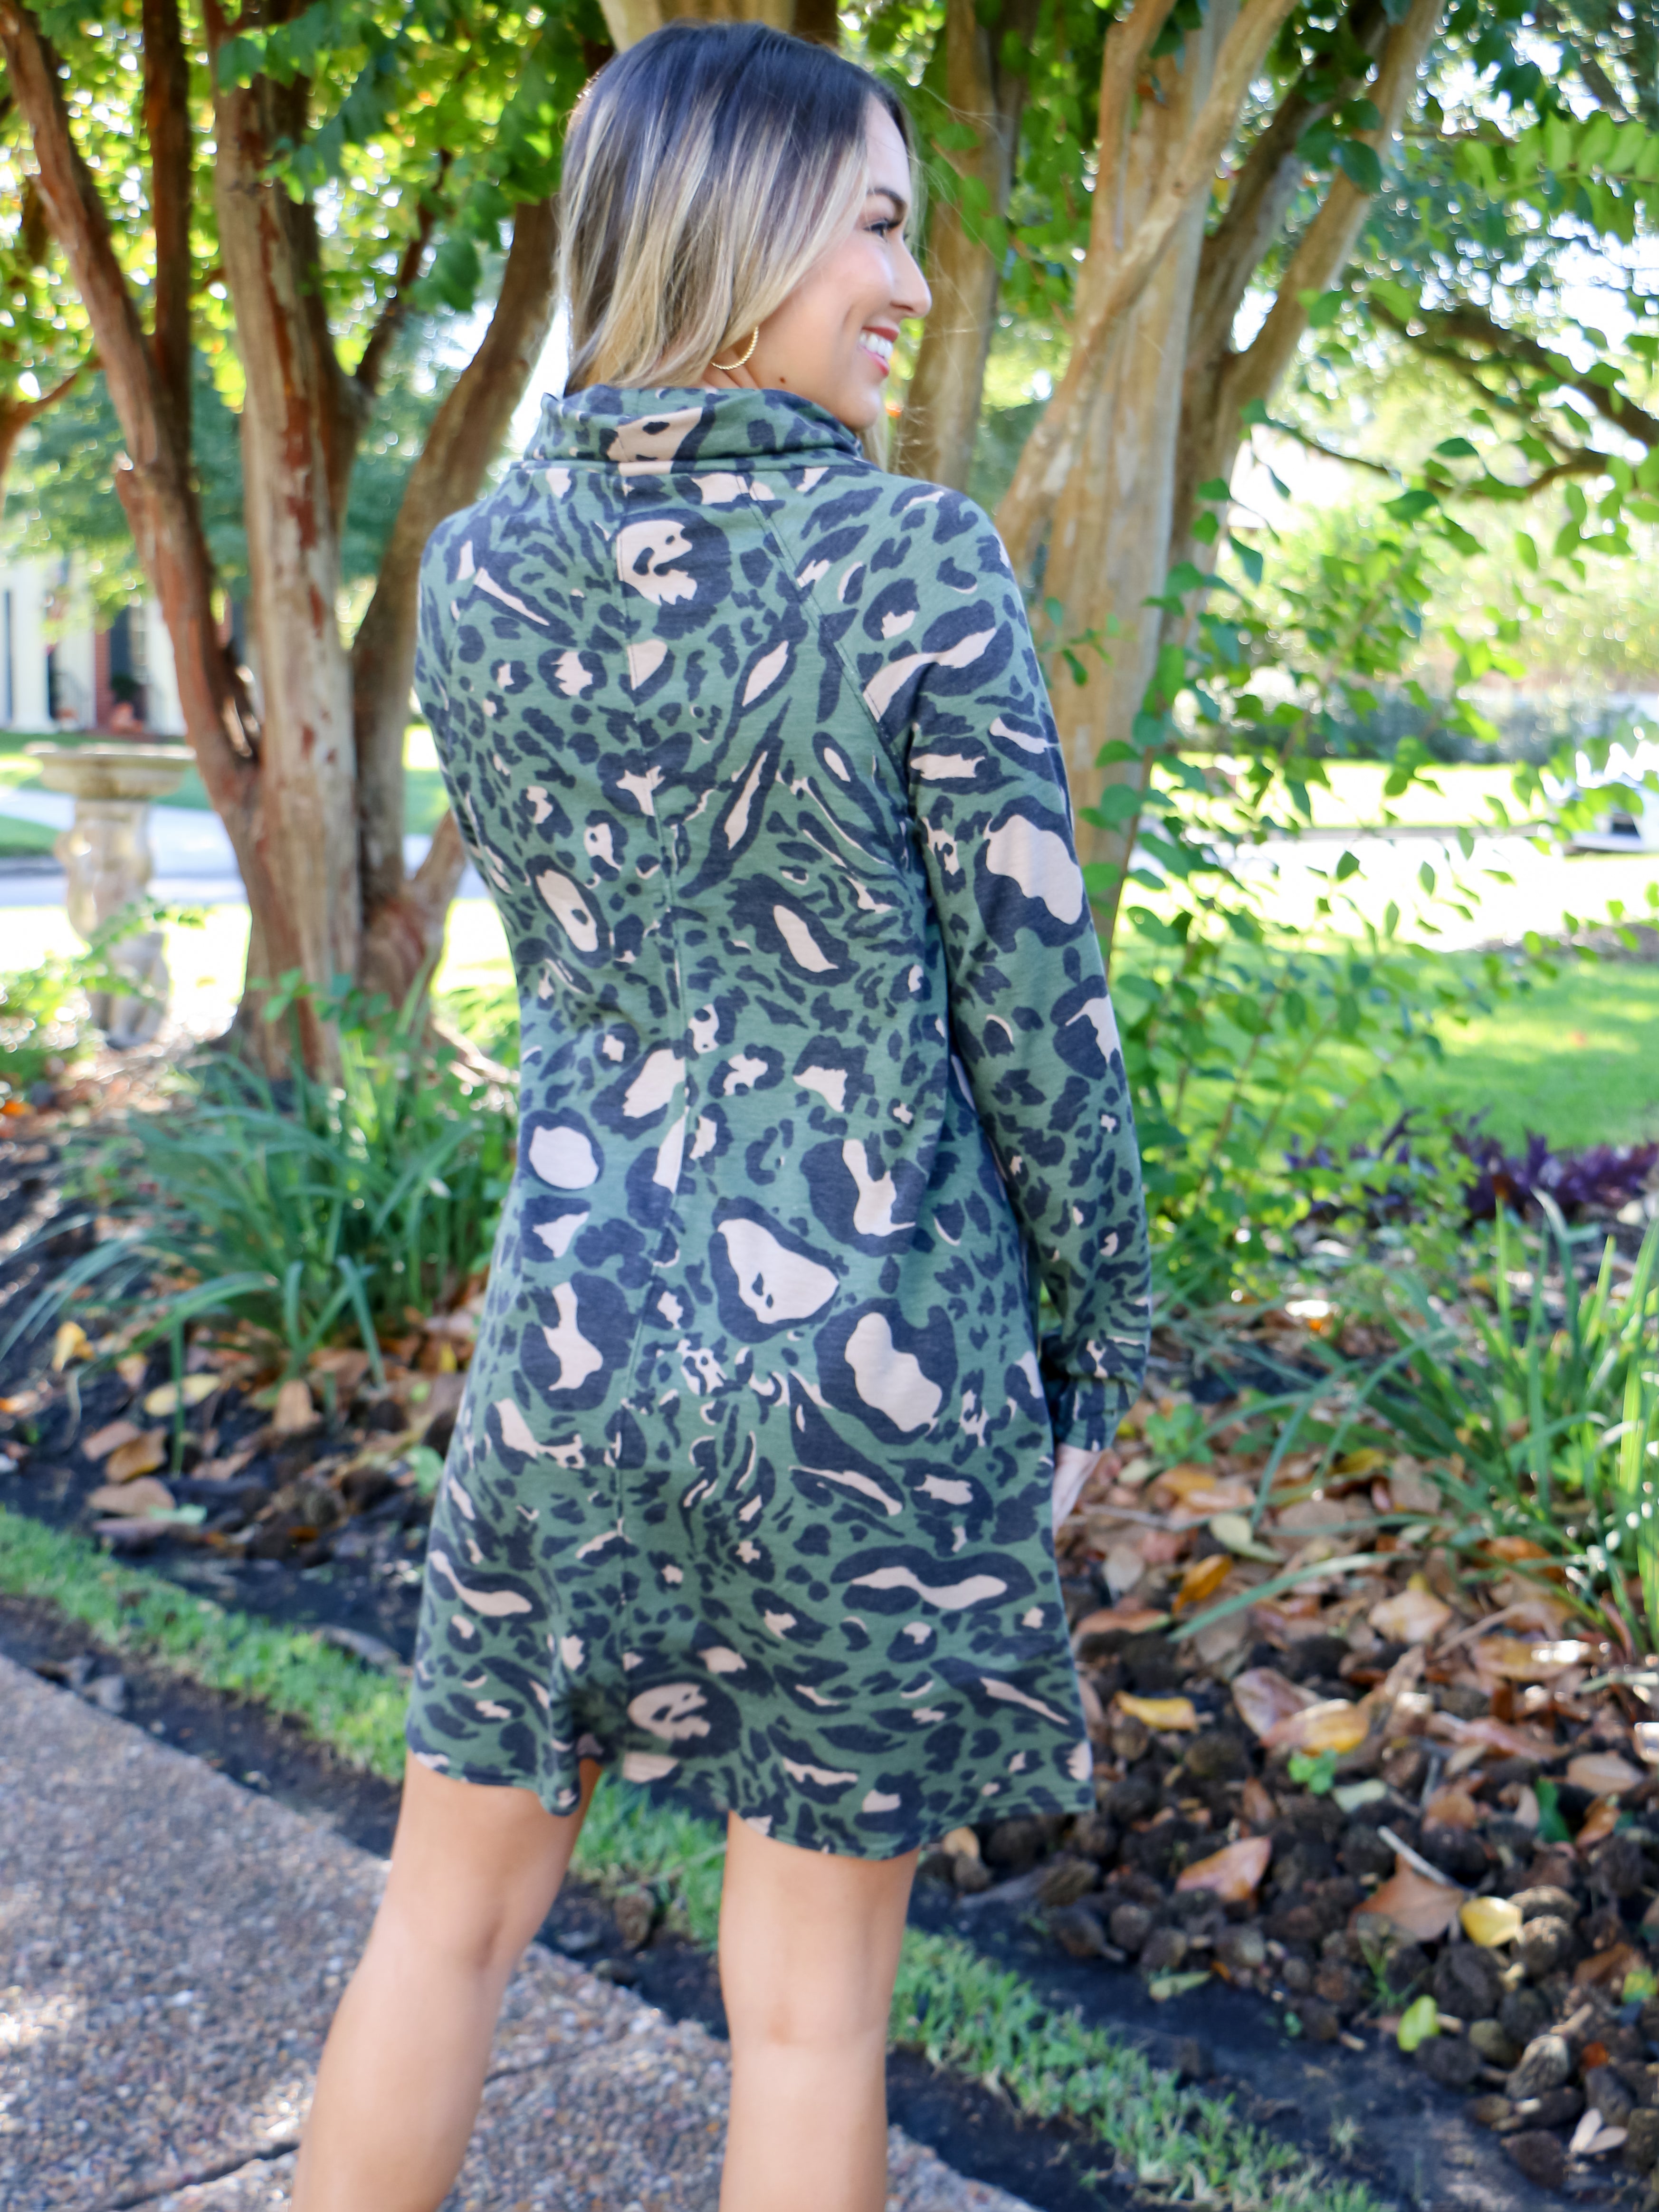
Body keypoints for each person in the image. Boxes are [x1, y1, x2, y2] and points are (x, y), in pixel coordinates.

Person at [292, 22, 1149, 2212]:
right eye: (877, 226)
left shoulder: (475, 573)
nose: (915, 284)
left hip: (570, 1350)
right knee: (812, 2011)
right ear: (740, 230)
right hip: (872, 1372)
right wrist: (1096, 1348)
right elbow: (1041, 1017)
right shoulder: (914, 562)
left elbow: (584, 959)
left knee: (442, 1924)